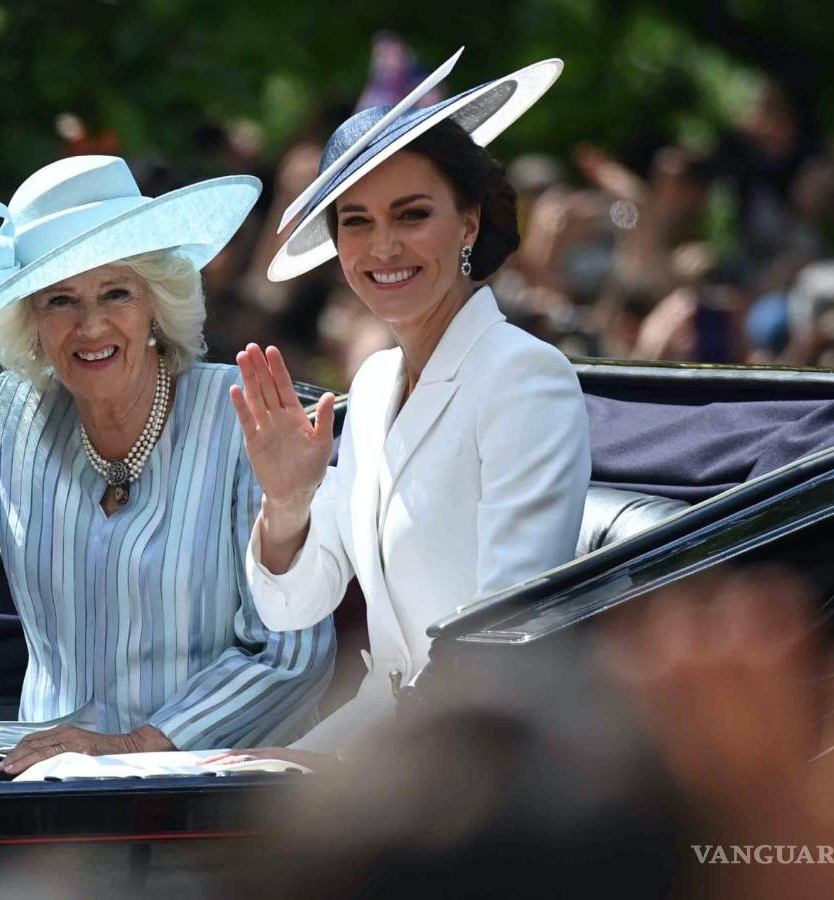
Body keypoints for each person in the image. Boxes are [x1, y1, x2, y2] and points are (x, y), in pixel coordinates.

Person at [0, 155, 334, 779]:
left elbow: (290, 655)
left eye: (116, 292)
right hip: (44, 778)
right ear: (31, 324)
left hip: (214, 786)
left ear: (155, 304)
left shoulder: (242, 419)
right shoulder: (23, 415)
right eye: (59, 300)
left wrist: (135, 746)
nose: (90, 325)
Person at [222, 51, 591, 764]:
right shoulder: (372, 384)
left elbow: (503, 639)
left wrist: (353, 773)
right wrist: (288, 502)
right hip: (385, 733)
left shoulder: (523, 376)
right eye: (356, 222)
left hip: (484, 756)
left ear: (468, 223)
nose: (383, 247)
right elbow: (293, 607)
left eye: (412, 214)